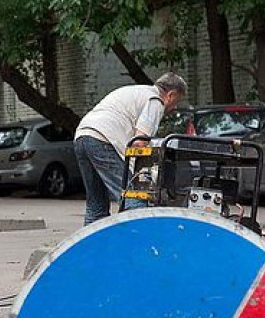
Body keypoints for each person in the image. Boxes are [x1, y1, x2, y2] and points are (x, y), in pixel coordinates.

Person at [74, 72, 187, 225]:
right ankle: (140, 243)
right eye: (176, 102)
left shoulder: (136, 91)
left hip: (82, 135)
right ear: (171, 95)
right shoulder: (155, 101)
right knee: (134, 198)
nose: (173, 108)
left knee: (96, 205)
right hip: (104, 140)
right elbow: (139, 143)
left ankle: (89, 248)